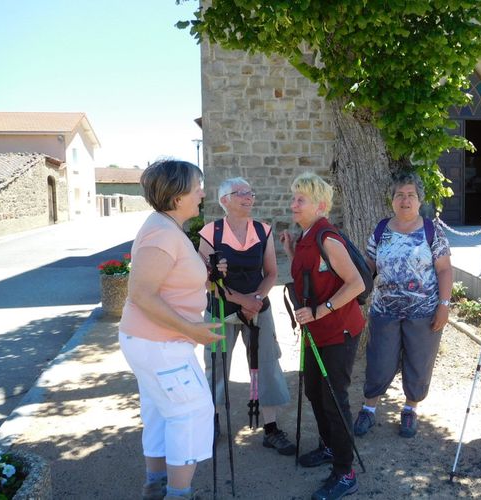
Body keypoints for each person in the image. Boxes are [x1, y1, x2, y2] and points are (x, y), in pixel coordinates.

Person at [118, 159, 223, 500]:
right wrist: (192, 330)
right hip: (160, 342)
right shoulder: (162, 232)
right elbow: (141, 293)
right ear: (178, 197)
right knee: (190, 412)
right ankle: (178, 493)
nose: (202, 194)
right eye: (197, 188)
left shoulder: (165, 227)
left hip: (154, 340)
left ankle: (157, 483)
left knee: (160, 408)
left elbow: (167, 283)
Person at [279, 172, 365, 500]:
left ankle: (345, 473)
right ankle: (329, 447)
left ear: (321, 205)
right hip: (315, 331)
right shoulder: (305, 236)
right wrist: (290, 250)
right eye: (294, 198)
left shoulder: (328, 237)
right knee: (315, 392)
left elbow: (355, 283)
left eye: (300, 199)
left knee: (334, 399)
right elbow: (308, 276)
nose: (293, 204)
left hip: (338, 330)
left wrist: (320, 310)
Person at [198, 177, 294, 455]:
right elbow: (204, 279)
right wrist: (241, 299)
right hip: (220, 309)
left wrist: (257, 299)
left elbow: (272, 273)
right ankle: (212, 422)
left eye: (250, 192)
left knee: (267, 364)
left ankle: (271, 428)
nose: (248, 197)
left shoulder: (263, 231)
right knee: (215, 367)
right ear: (224, 200)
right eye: (241, 193)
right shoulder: (210, 233)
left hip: (257, 309)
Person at [353, 172, 453, 439]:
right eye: (400, 195)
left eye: (411, 195)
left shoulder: (432, 230)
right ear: (392, 200)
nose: (405, 200)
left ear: (419, 200)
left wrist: (444, 304)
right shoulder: (381, 229)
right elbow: (369, 265)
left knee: (419, 362)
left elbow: (444, 270)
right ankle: (369, 408)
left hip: (424, 312)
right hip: (385, 310)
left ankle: (410, 409)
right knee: (379, 361)